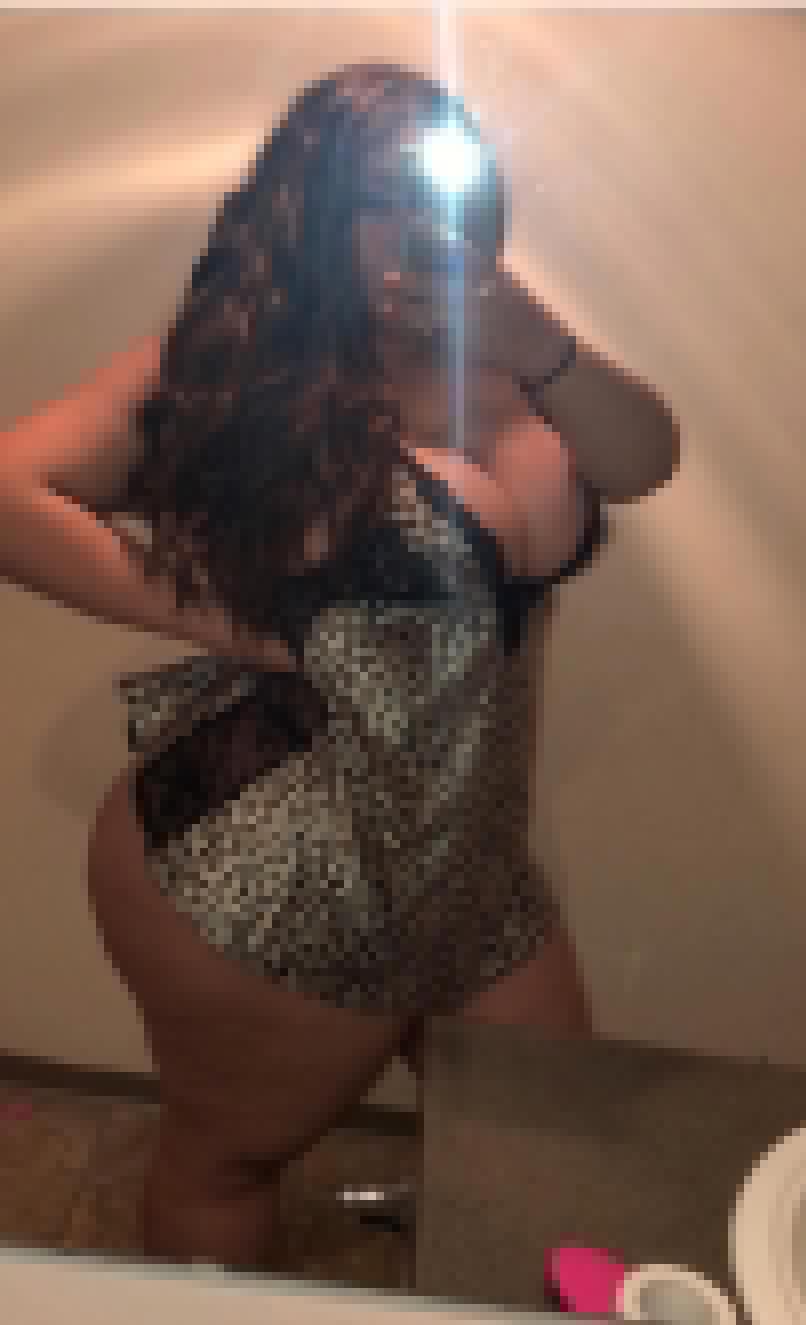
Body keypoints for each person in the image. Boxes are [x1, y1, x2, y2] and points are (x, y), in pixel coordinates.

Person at [0, 64, 678, 1276]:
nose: (430, 227)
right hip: (274, 862)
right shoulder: (240, 369)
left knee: (552, 1133)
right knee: (229, 1158)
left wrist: (545, 342)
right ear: (312, 210)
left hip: (467, 857)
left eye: (453, 194)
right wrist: (232, 623)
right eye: (388, 198)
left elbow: (646, 458)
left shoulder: (515, 366)